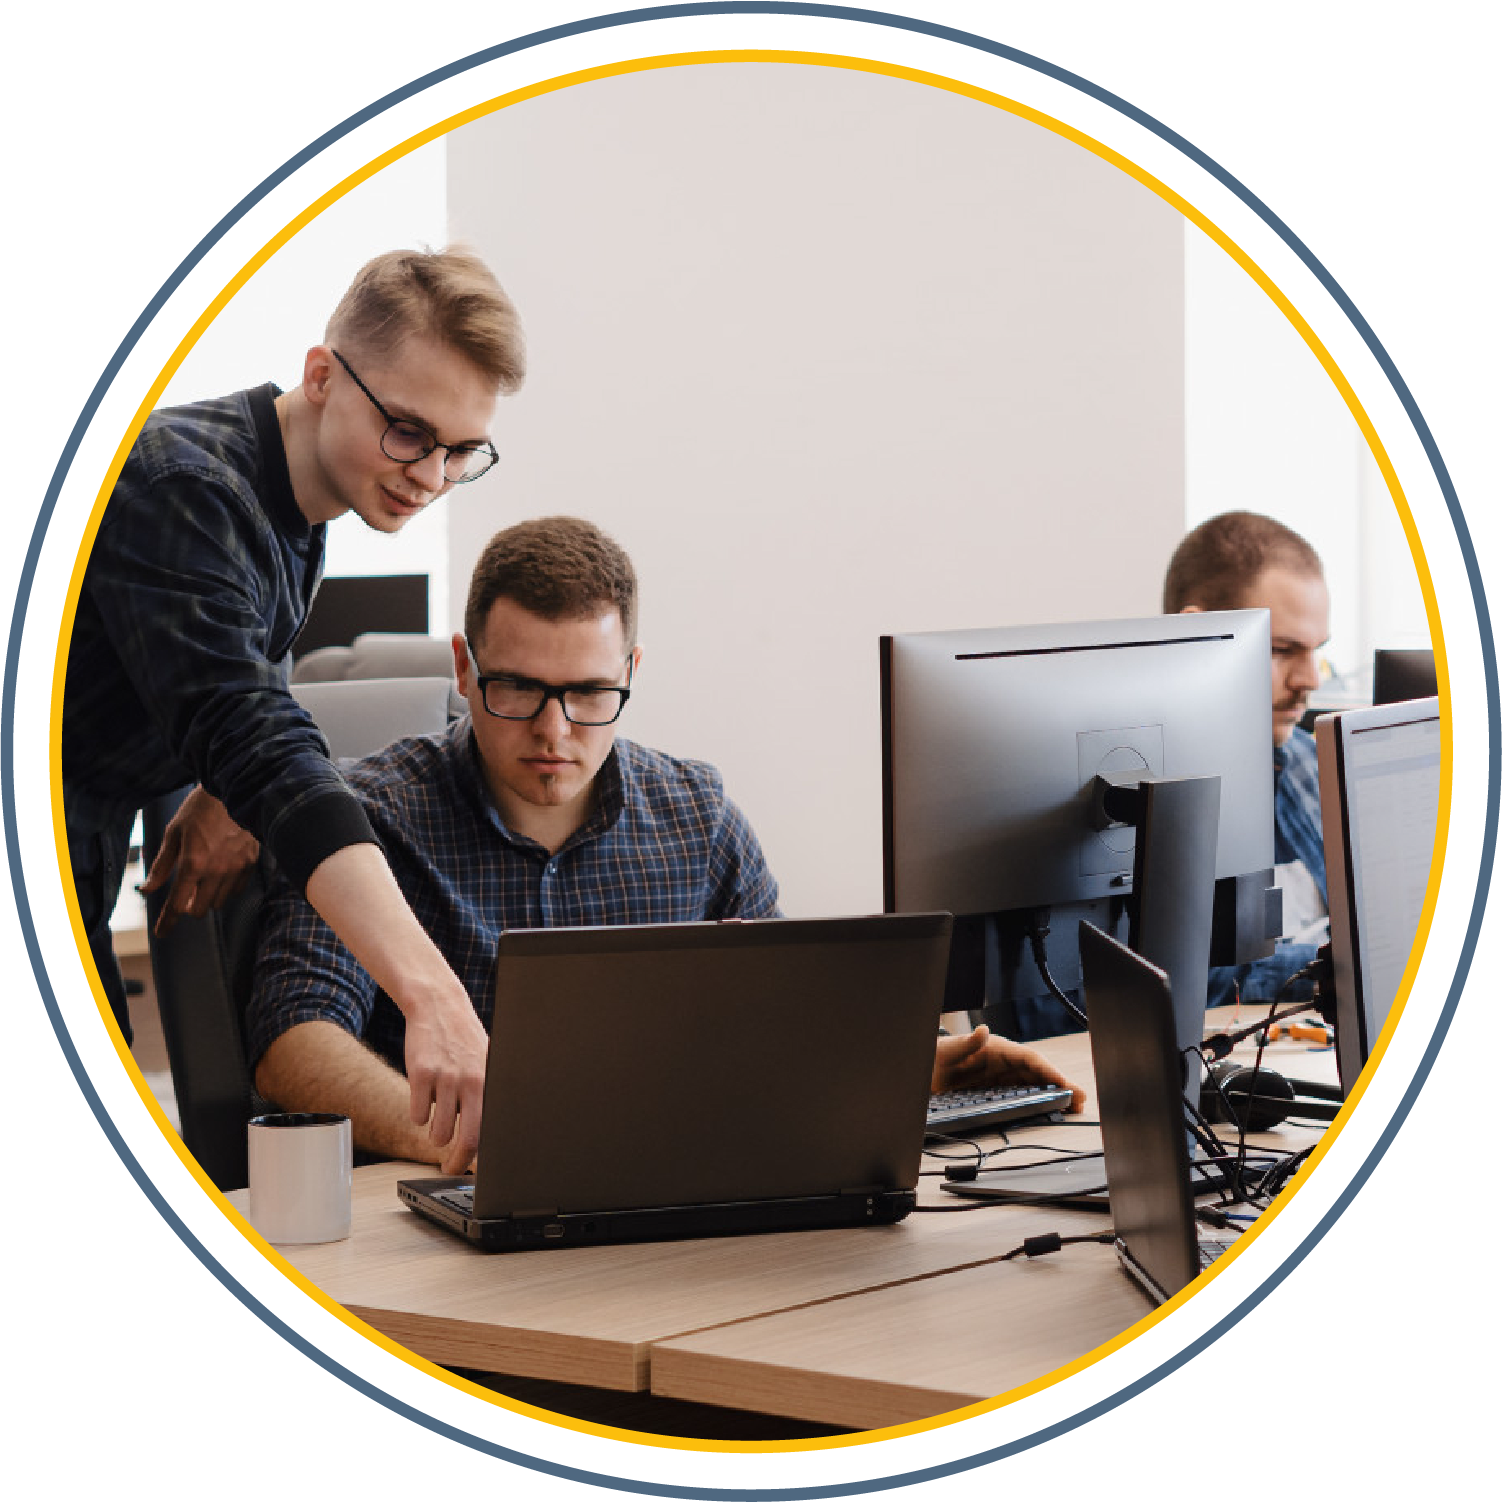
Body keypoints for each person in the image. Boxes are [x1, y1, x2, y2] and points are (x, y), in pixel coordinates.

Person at [248, 518, 1085, 1172]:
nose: (554, 730)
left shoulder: (696, 815)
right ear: (465, 669)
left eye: (589, 693)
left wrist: (922, 1066)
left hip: (665, 1188)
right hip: (450, 1207)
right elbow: (294, 1045)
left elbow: (781, 1027)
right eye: (518, 689)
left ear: (631, 672)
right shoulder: (367, 819)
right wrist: (465, 1140)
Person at [62, 245, 525, 1168]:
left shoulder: (303, 503)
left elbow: (239, 660)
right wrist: (433, 995)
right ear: (322, 376)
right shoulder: (186, 486)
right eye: (409, 431)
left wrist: (219, 790)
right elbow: (261, 739)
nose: (431, 475)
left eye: (460, 451)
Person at [1162, 510, 1331, 1007]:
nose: (1310, 680)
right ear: (1195, 640)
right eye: (1281, 650)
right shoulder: (1120, 799)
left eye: (1317, 650)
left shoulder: (1312, 763)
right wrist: (1333, 970)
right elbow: (1078, 996)